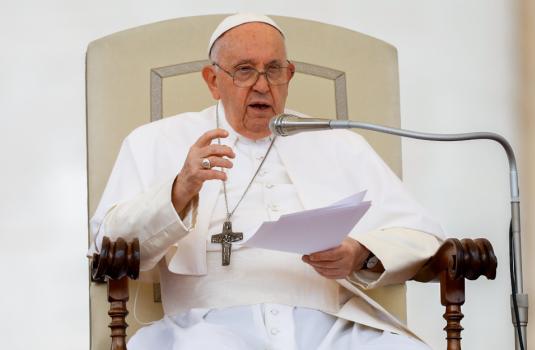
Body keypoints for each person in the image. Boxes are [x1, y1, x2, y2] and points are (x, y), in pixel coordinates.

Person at [90, 13, 445, 350]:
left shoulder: (339, 142)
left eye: (274, 69)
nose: (262, 84)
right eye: (244, 70)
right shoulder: (155, 140)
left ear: (289, 75)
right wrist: (180, 189)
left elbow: (421, 234)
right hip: (206, 327)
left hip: (327, 328)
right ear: (213, 81)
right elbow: (107, 241)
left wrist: (361, 254)